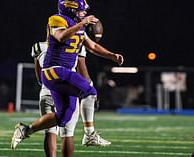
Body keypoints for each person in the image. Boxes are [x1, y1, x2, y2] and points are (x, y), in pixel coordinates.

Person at [11, 0, 123, 156]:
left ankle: (26, 130)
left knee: (64, 116)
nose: (84, 13)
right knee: (90, 91)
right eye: (82, 11)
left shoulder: (79, 26)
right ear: (71, 10)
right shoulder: (57, 19)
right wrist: (82, 23)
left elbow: (93, 46)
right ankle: (90, 134)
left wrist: (111, 56)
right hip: (54, 70)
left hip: (63, 75)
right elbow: (60, 36)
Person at [31, 40, 110, 156]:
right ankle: (90, 133)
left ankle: (26, 130)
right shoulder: (75, 44)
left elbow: (39, 78)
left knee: (49, 131)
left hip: (47, 91)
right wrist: (90, 92)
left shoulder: (38, 46)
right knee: (67, 133)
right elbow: (84, 74)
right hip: (67, 92)